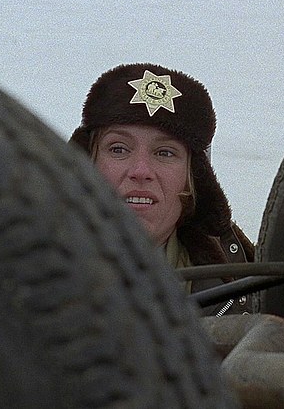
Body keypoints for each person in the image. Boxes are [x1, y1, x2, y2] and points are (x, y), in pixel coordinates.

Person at [69, 63, 256, 316]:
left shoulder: (248, 285)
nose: (141, 171)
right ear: (86, 165)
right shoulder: (20, 271)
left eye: (165, 153)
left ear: (192, 179)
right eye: (119, 149)